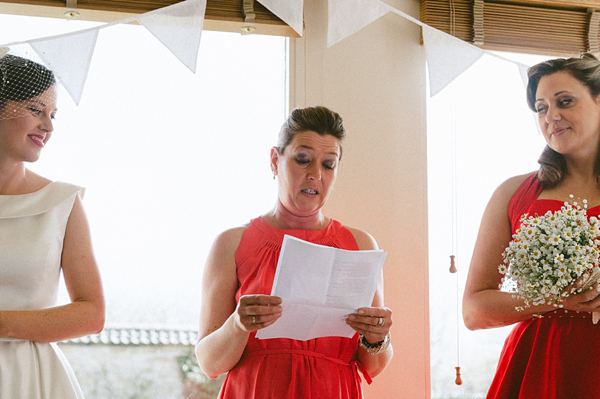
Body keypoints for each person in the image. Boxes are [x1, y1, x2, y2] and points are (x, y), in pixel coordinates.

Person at [194, 106, 393, 398]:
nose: (315, 175)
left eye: (328, 164)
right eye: (303, 160)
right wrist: (238, 324)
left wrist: (378, 337)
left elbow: (373, 366)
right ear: (275, 161)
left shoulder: (361, 244)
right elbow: (209, 363)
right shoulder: (231, 243)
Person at [463, 53, 600, 398]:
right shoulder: (513, 193)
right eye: (540, 108)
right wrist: (554, 299)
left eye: (564, 101)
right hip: (539, 364)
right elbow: (474, 310)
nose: (551, 116)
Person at [0, 52, 105, 399]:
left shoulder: (62, 202)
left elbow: (92, 313)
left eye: (53, 114)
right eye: (36, 110)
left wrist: (3, 324)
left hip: (31, 380)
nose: (49, 126)